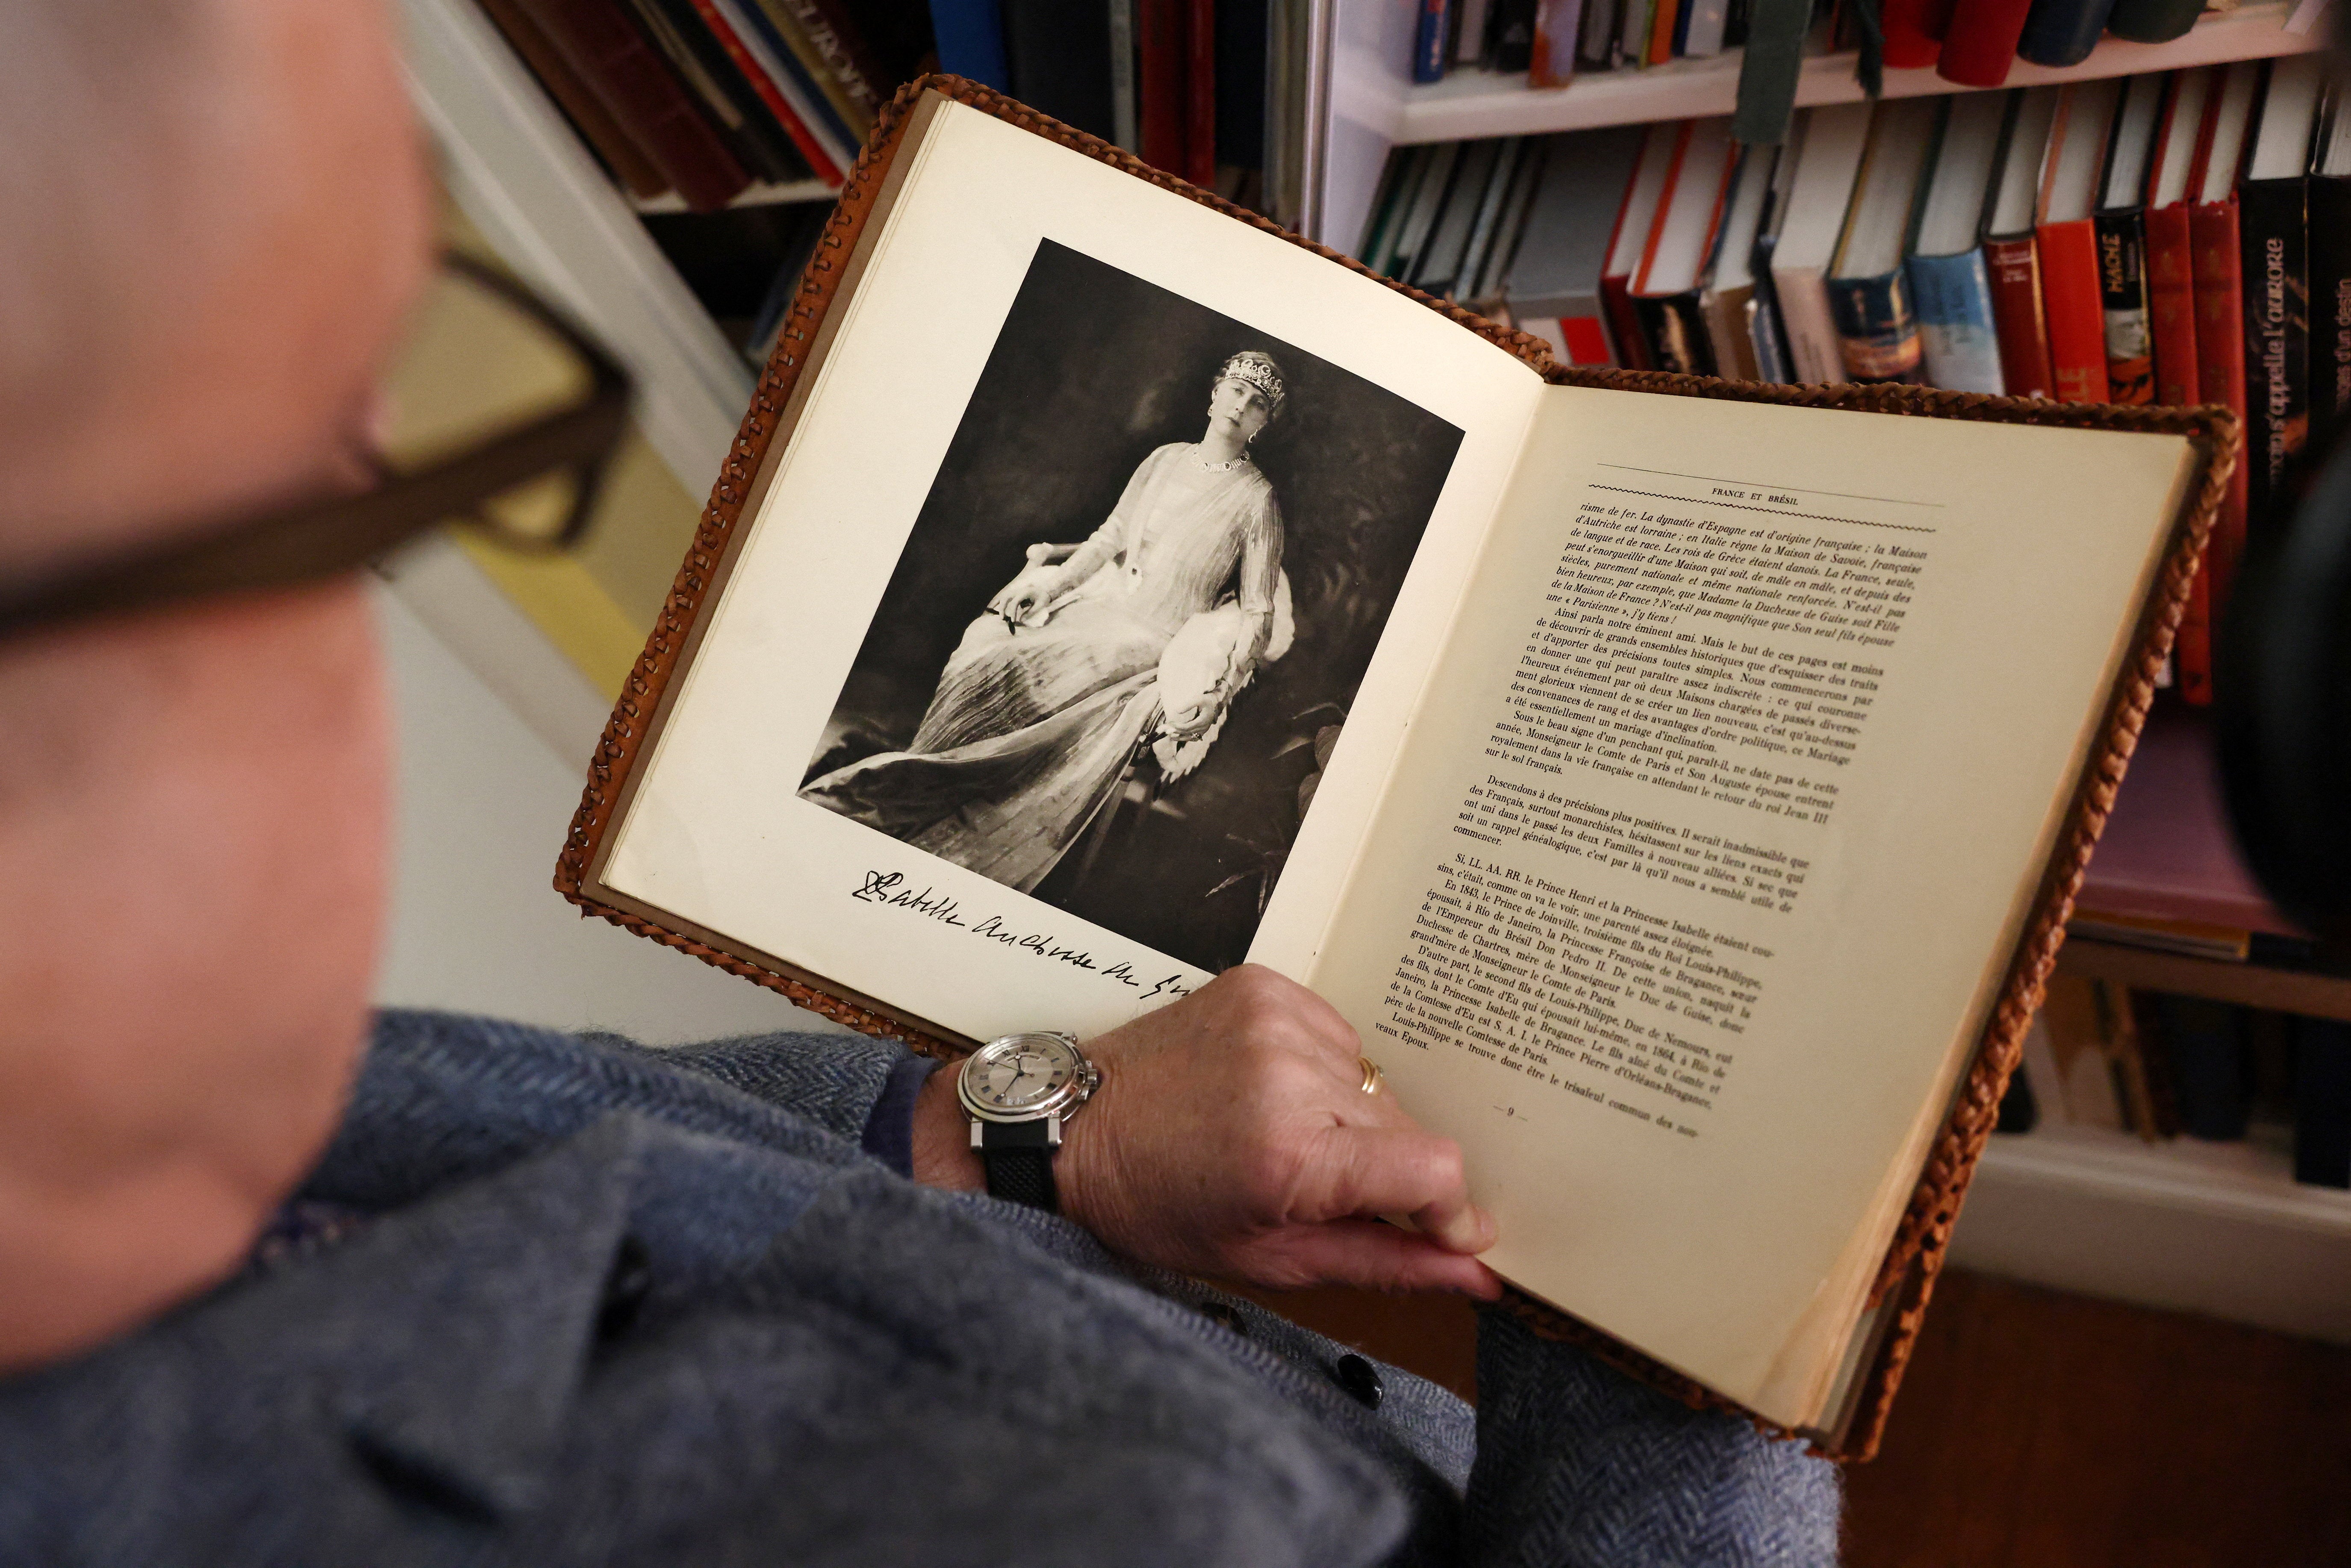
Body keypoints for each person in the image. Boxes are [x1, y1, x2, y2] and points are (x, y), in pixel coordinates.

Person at [0, 1, 1839, 1561]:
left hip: (1163, 742)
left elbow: (627, 1128)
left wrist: (1038, 1133)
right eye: (337, 481)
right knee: (992, 665)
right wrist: (1681, 1305)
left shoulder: (229, 1115)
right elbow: (1095, 548)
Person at [801, 353, 1292, 891]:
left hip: (1151, 635)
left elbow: (1258, 610)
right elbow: (1110, 538)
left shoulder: (1256, 499)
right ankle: (929, 776)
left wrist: (1220, 690)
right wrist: (1055, 587)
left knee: (1055, 656)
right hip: (1099, 605)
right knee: (988, 642)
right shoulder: (1164, 458)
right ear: (1215, 394)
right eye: (1235, 391)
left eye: (1257, 403)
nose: (1241, 405)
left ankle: (968, 810)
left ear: (1263, 424)